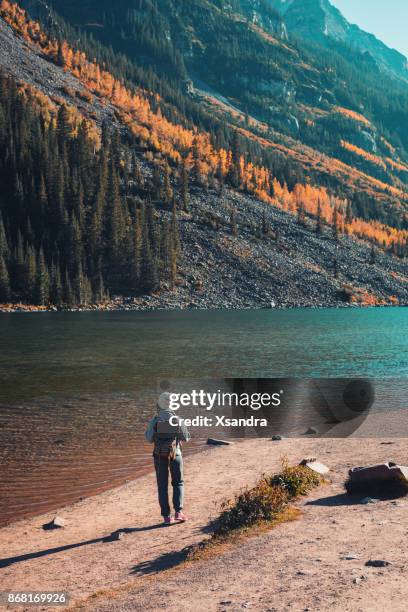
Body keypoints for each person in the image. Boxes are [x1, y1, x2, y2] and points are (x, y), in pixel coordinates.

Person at [145, 392, 190, 524]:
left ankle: (166, 517)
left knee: (162, 486)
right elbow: (186, 437)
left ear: (159, 404)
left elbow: (149, 439)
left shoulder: (155, 419)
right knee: (178, 483)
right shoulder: (177, 419)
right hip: (175, 455)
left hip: (159, 456)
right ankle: (178, 513)